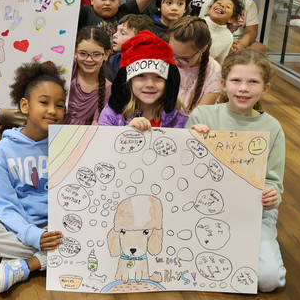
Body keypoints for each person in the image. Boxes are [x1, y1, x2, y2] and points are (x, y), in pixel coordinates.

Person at [188, 50, 286, 292]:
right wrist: (191, 139)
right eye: (236, 81)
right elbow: (186, 171)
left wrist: (272, 195)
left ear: (266, 88)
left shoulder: (272, 127)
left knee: (269, 280)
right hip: (204, 208)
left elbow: (274, 181)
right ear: (223, 84)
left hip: (253, 213)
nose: (243, 88)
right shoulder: (203, 115)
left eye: (253, 82)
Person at [0, 61, 65, 292]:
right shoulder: (2, 152)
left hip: (53, 226)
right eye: (44, 102)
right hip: (13, 225)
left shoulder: (66, 144)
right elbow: (3, 206)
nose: (52, 110)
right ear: (25, 105)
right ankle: (50, 257)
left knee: (90, 234)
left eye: (60, 105)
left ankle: (27, 264)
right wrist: (32, 234)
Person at [98, 30, 187, 130]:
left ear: (169, 82)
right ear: (129, 80)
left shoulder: (179, 117)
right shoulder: (111, 113)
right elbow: (99, 143)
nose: (150, 84)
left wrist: (197, 135)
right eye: (141, 76)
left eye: (158, 77)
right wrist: (126, 132)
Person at [167, 17, 222, 115]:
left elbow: (200, 115)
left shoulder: (214, 72)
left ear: (203, 49)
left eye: (184, 58)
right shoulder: (163, 59)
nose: (176, 61)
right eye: (172, 54)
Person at [63, 27, 111, 125]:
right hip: (49, 131)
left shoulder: (109, 90)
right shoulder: (68, 68)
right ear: (76, 52)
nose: (89, 59)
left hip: (80, 138)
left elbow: (96, 126)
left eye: (96, 54)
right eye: (83, 53)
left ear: (106, 55)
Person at [106, 14, 157, 82]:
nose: (114, 35)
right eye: (116, 31)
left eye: (122, 33)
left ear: (140, 39)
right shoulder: (113, 61)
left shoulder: (151, 64)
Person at [204, 0, 241, 65]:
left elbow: (219, 63)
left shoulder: (228, 37)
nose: (221, 6)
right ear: (209, 10)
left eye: (228, 7)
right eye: (219, 3)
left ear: (231, 19)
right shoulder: (197, 24)